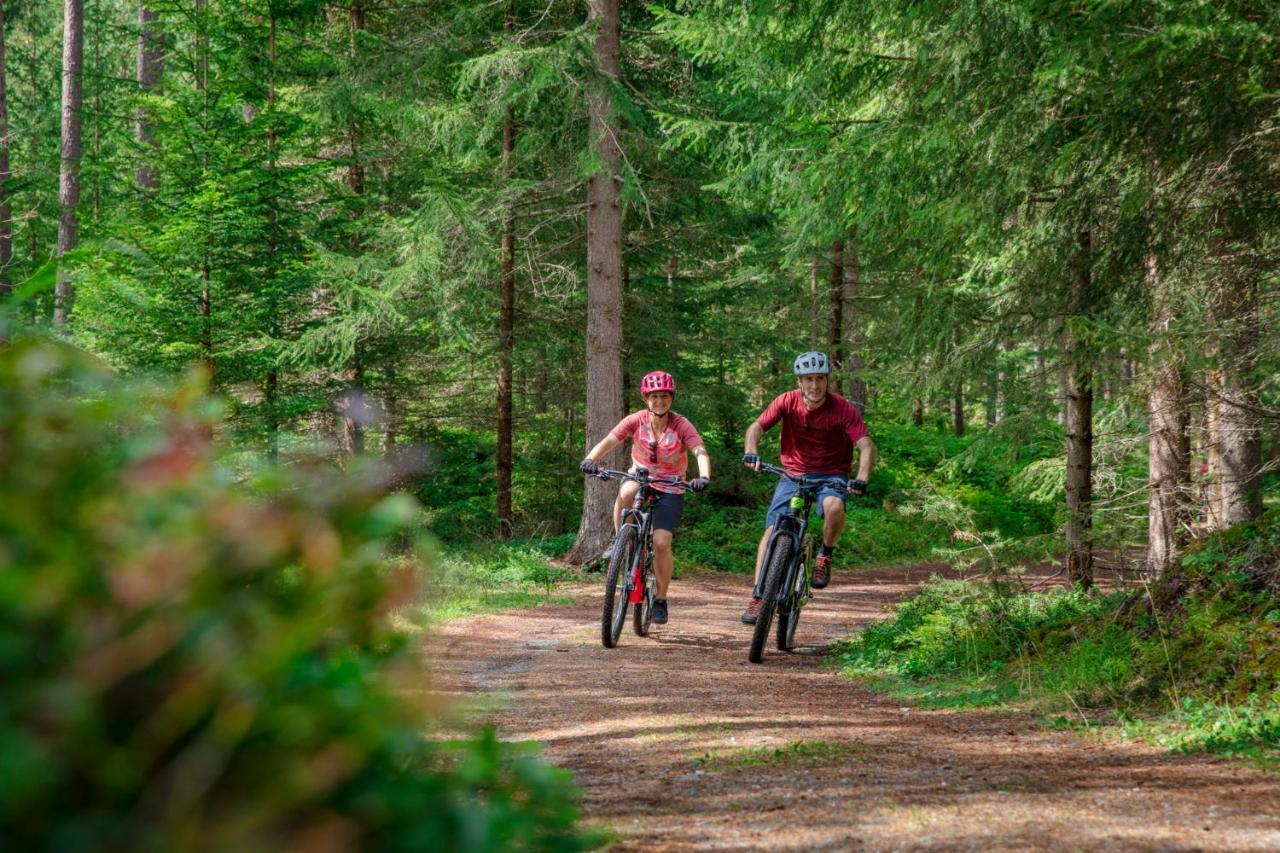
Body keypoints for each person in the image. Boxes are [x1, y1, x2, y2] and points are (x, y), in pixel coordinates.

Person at [740, 351, 876, 623]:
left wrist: (861, 478)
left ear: (827, 380)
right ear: (799, 381)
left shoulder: (842, 409)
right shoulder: (787, 401)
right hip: (793, 474)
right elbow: (756, 427)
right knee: (772, 531)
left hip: (831, 475)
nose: (814, 385)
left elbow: (866, 445)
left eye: (819, 379)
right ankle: (758, 597)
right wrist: (751, 451)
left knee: (834, 505)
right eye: (808, 379)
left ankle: (825, 555)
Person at [580, 371, 711, 625]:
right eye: (654, 397)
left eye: (664, 396)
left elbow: (699, 450)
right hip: (640, 476)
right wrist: (590, 459)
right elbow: (610, 440)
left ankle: (661, 598)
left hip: (671, 484)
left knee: (661, 542)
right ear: (646, 399)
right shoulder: (636, 420)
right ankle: (620, 540)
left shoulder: (681, 424)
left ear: (671, 398)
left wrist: (703, 476)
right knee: (626, 491)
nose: (659, 401)